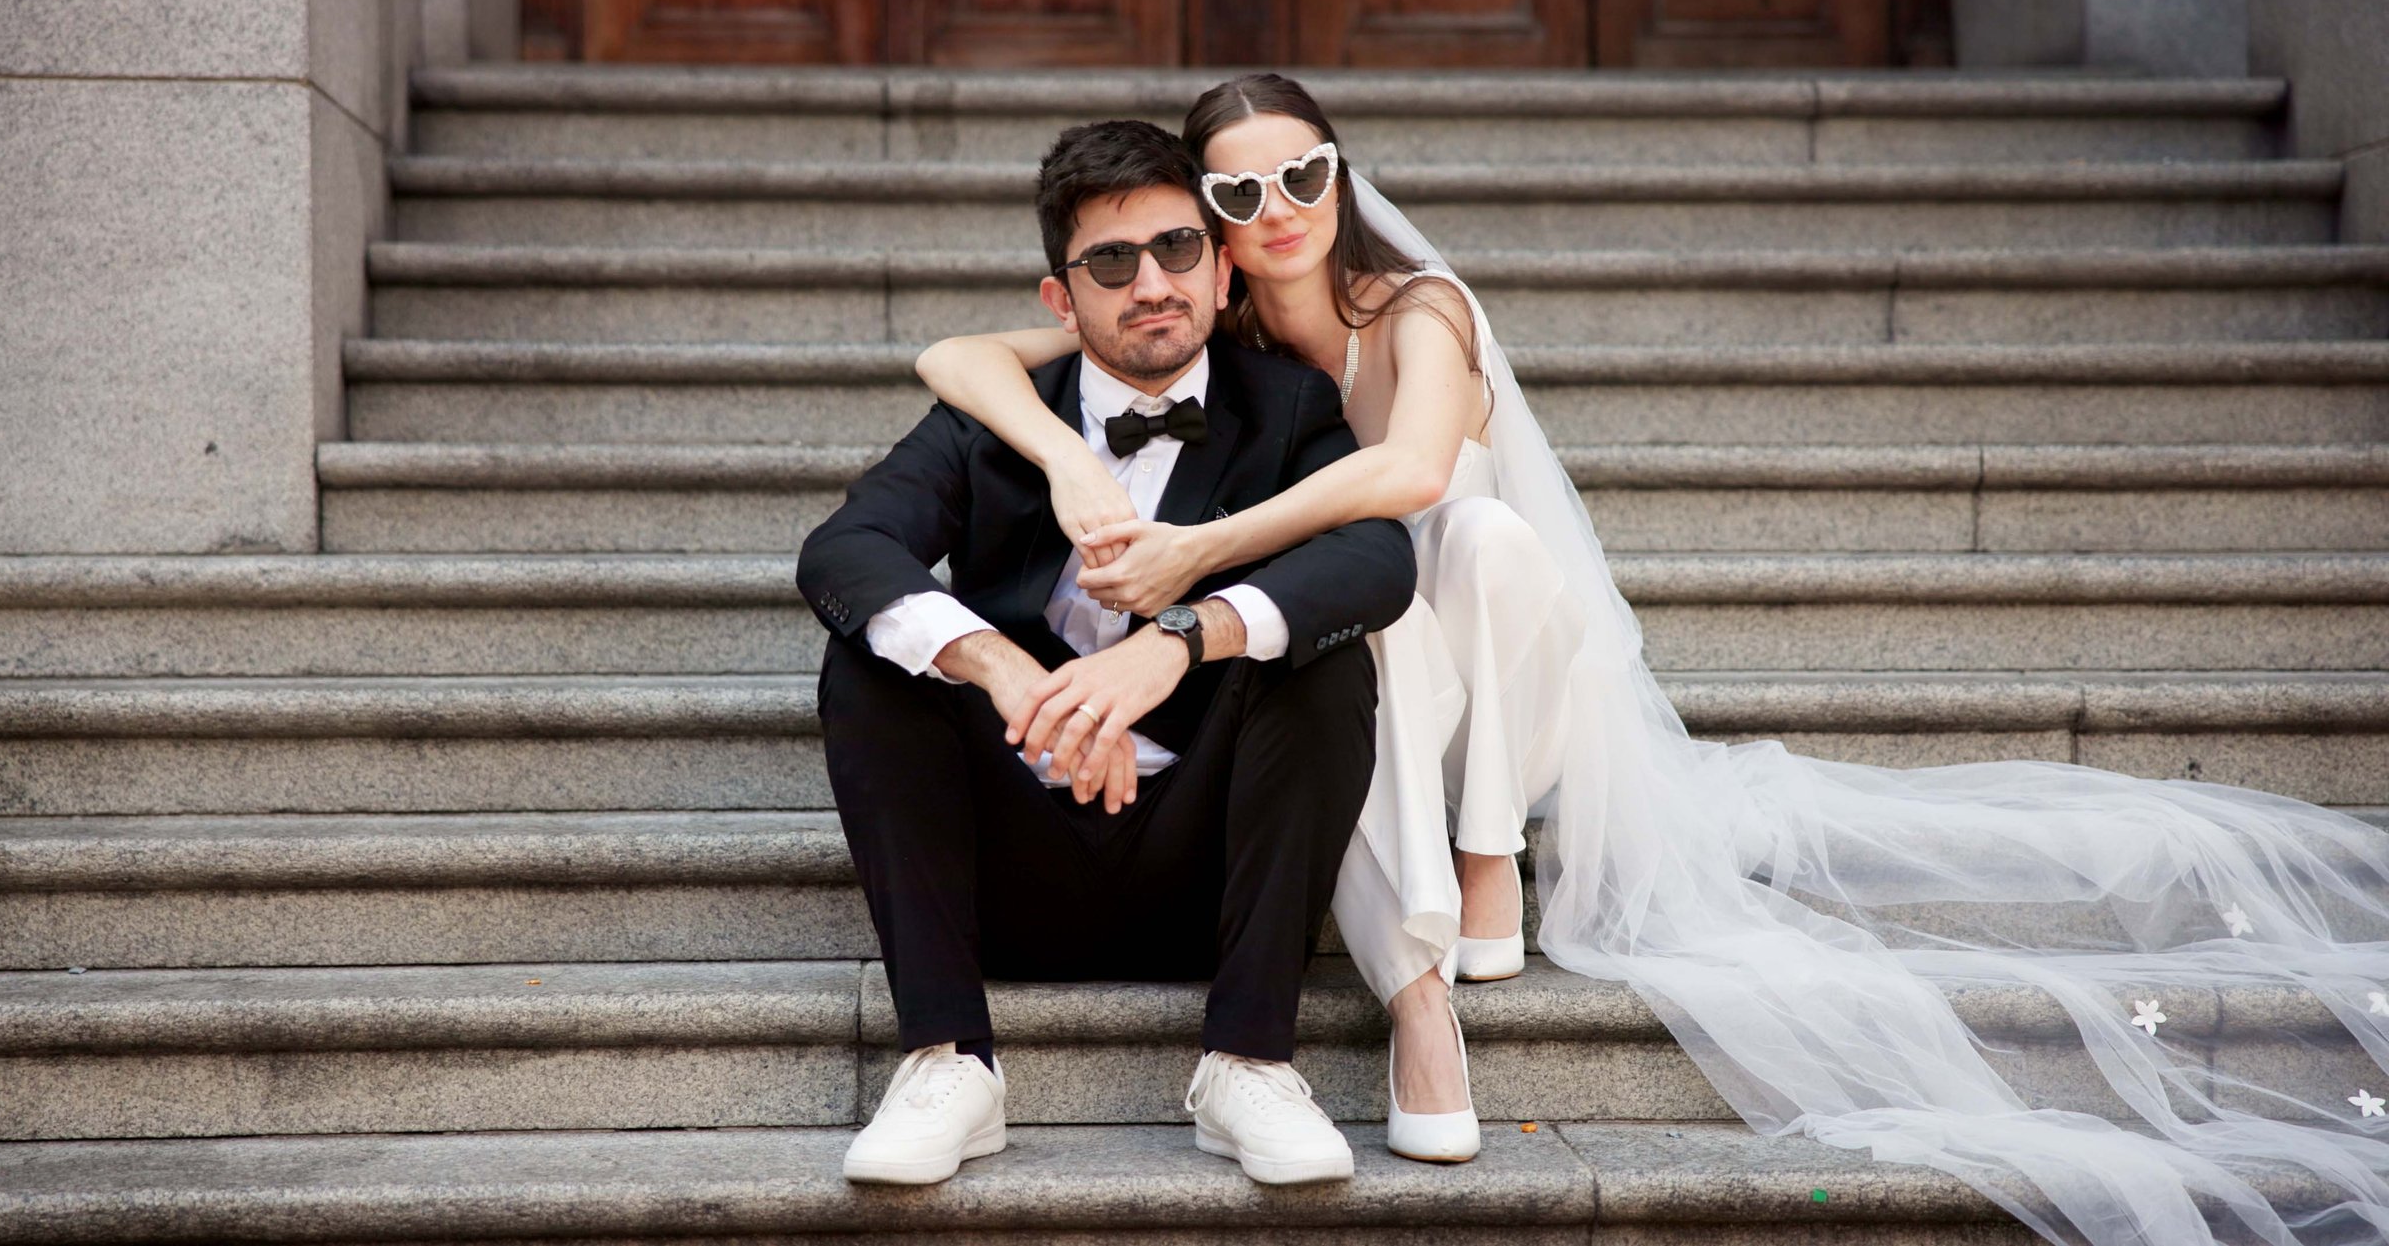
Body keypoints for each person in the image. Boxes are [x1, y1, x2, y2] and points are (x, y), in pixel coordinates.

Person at [911, 73, 2389, 1243]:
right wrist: (1058, 454)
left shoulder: (1419, 308)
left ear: (1342, 176)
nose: (1279, 205)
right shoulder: (1194, 325)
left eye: (1306, 172)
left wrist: (1191, 561)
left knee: (1465, 551)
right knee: (1354, 632)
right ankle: (1422, 1000)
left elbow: (1416, 473)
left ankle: (1486, 854)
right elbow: (956, 361)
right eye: (1238, 190)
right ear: (1205, 224)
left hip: (1505, 684)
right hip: (1351, 681)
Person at [797, 117, 1417, 1187]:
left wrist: (1179, 641)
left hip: (1204, 862)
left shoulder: (1289, 408)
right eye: (1111, 262)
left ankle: (1250, 1061)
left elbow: (1376, 561)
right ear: (1061, 298)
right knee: (875, 655)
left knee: (1326, 656)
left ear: (1224, 271)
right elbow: (844, 549)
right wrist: (1006, 671)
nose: (1152, 284)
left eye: (1178, 248)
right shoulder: (992, 422)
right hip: (1010, 861)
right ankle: (948, 1060)